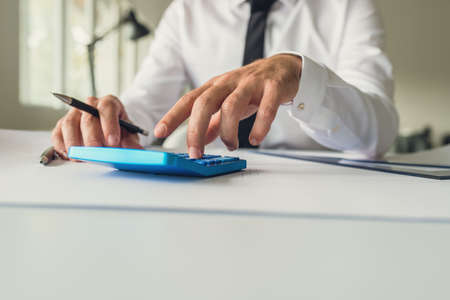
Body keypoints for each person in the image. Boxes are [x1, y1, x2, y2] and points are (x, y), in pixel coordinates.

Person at [51, 0, 399, 160]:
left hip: (320, 196)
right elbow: (146, 107)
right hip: (202, 193)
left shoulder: (350, 8)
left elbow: (378, 132)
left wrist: (301, 76)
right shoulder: (187, 11)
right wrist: (111, 120)